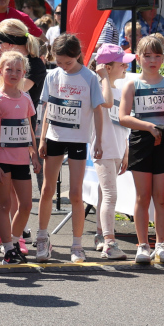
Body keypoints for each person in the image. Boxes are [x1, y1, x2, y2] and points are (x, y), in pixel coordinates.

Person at [32, 32, 106, 263]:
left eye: (68, 62)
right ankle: (42, 238)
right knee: (47, 189)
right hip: (54, 136)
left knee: (76, 193)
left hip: (77, 139)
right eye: (59, 62)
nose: (63, 66)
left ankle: (77, 244)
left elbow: (98, 111)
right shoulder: (52, 75)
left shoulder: (90, 77)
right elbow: (47, 109)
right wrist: (42, 139)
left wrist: (99, 141)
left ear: (78, 56)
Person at [117, 33, 164, 266]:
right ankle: (142, 245)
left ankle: (161, 244)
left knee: (160, 197)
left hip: (162, 143)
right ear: (138, 58)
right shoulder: (132, 84)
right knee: (142, 196)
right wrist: (149, 127)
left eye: (157, 56)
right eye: (147, 56)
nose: (152, 60)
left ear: (163, 59)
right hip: (140, 142)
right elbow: (124, 117)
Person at [0, 50, 37, 264]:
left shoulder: (26, 97)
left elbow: (28, 128)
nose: (14, 73)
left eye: (18, 70)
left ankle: (15, 242)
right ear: (0, 71)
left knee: (26, 205)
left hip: (21, 160)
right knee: (4, 204)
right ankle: (7, 249)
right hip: (2, 158)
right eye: (9, 69)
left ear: (24, 73)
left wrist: (33, 153)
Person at [91, 43, 129, 259]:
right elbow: (105, 103)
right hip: (103, 149)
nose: (125, 67)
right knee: (109, 195)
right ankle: (109, 243)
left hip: (116, 148)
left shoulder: (119, 88)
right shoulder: (98, 85)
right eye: (121, 63)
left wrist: (126, 151)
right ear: (106, 67)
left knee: (102, 194)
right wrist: (103, 76)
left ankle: (100, 235)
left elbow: (122, 123)